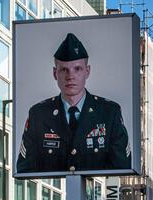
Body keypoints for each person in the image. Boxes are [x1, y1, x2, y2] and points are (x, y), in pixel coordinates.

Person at [17, 33, 131, 174]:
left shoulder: (109, 113)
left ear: (87, 71)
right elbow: (25, 171)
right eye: (64, 69)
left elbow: (121, 170)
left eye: (77, 69)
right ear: (55, 73)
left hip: (94, 195)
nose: (70, 76)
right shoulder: (39, 115)